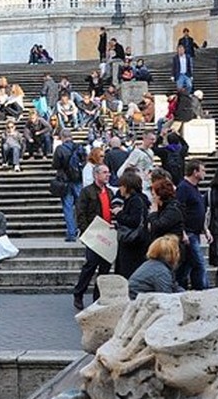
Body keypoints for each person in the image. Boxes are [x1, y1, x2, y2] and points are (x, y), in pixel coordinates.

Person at [73, 164, 114, 310]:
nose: (107, 175)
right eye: (104, 172)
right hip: (93, 233)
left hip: (107, 233)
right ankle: (78, 293)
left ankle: (98, 297)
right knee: (90, 265)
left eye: (108, 172)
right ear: (96, 175)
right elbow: (80, 212)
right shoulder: (87, 191)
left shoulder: (109, 192)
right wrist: (85, 231)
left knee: (105, 267)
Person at [176, 160, 211, 290]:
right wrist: (182, 231)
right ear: (195, 172)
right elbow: (179, 210)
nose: (205, 173)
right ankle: (202, 290)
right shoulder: (184, 187)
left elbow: (198, 209)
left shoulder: (193, 188)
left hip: (195, 232)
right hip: (189, 233)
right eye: (202, 170)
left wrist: (205, 229)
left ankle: (179, 286)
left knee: (187, 265)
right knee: (199, 264)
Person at [114, 169, 150, 280]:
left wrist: (119, 214)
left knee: (128, 272)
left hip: (133, 243)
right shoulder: (138, 199)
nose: (120, 189)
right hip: (134, 241)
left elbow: (134, 221)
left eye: (122, 186)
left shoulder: (135, 200)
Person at [52, 129, 84, 242]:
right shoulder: (79, 147)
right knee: (80, 206)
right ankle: (83, 230)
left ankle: (71, 233)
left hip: (65, 181)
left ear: (62, 137)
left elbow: (55, 165)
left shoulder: (60, 149)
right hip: (78, 181)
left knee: (68, 207)